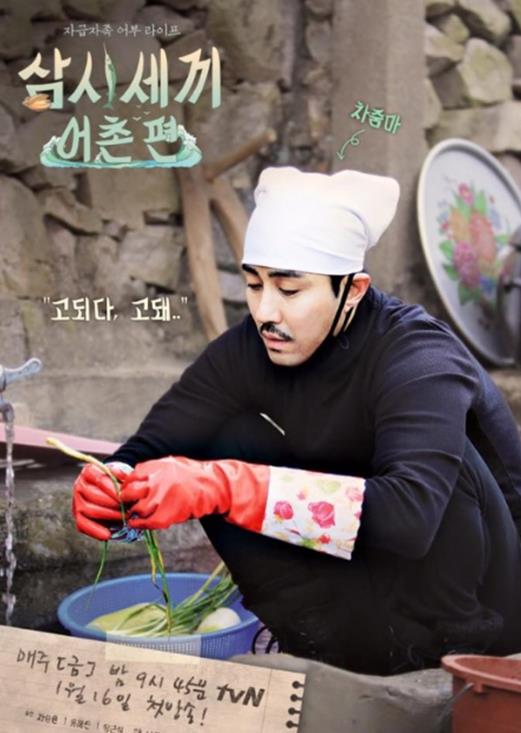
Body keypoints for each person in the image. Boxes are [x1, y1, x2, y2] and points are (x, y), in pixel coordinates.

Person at [72, 167, 521, 675]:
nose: (265, 311)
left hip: (491, 603)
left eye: (289, 290)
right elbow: (159, 441)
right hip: (368, 593)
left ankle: (440, 664)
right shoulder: (251, 345)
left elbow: (410, 519)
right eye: (254, 285)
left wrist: (227, 486)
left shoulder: (419, 357)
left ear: (353, 289)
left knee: (438, 464)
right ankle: (325, 645)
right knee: (221, 441)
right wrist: (113, 482)